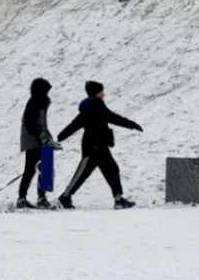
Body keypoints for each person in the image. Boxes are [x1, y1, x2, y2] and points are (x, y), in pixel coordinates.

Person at [56, 81, 142, 210]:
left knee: (112, 170)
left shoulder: (89, 107)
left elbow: (75, 124)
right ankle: (65, 196)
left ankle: (118, 200)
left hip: (99, 145)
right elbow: (113, 117)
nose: (104, 93)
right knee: (82, 173)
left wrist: (61, 136)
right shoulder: (96, 105)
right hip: (93, 147)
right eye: (102, 91)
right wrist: (132, 124)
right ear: (97, 93)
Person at [18, 78, 58, 209]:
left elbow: (41, 125)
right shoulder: (34, 103)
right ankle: (25, 198)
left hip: (38, 140)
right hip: (32, 141)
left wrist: (49, 138)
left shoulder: (40, 103)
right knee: (31, 170)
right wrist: (43, 137)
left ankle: (37, 197)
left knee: (43, 169)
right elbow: (31, 125)